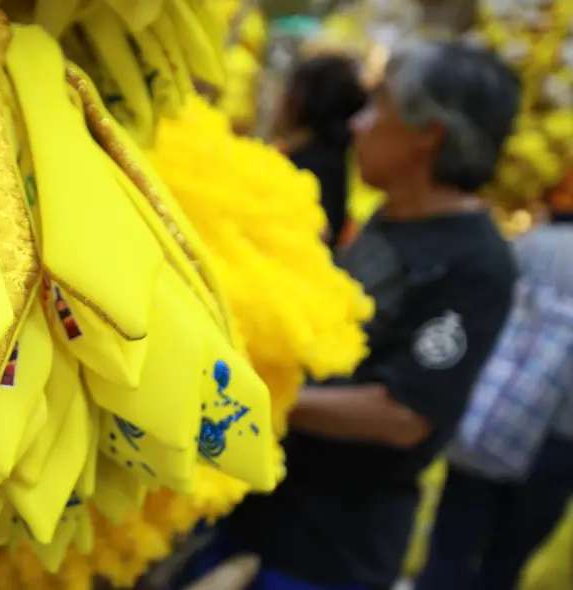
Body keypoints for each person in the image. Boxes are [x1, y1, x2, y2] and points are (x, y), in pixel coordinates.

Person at [178, 40, 522, 590]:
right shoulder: (391, 218)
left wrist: (251, 397)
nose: (358, 125)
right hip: (262, 513)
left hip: (328, 553)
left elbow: (403, 415)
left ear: (426, 133)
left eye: (377, 106)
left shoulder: (479, 264)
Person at [415, 177, 573, 590]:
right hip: (559, 442)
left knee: (452, 543)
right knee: (506, 560)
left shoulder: (539, 244)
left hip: (494, 419)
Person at [275, 53, 368, 249]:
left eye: (290, 86)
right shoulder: (337, 157)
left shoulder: (307, 167)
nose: (282, 96)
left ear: (302, 98)